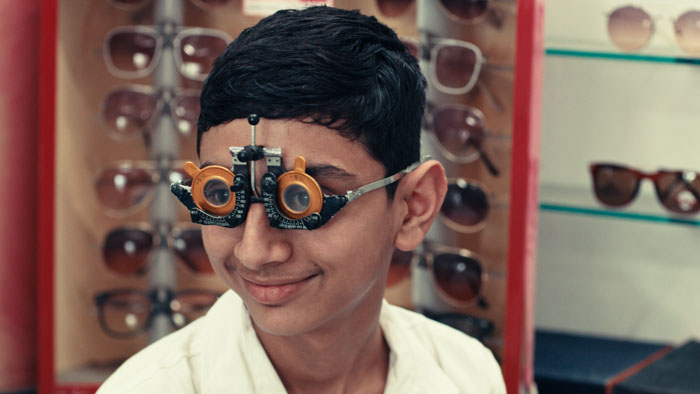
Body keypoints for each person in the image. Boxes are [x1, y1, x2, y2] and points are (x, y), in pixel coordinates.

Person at [98, 6, 505, 393]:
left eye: (301, 199)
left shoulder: (467, 375)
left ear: (413, 206)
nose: (255, 252)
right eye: (222, 195)